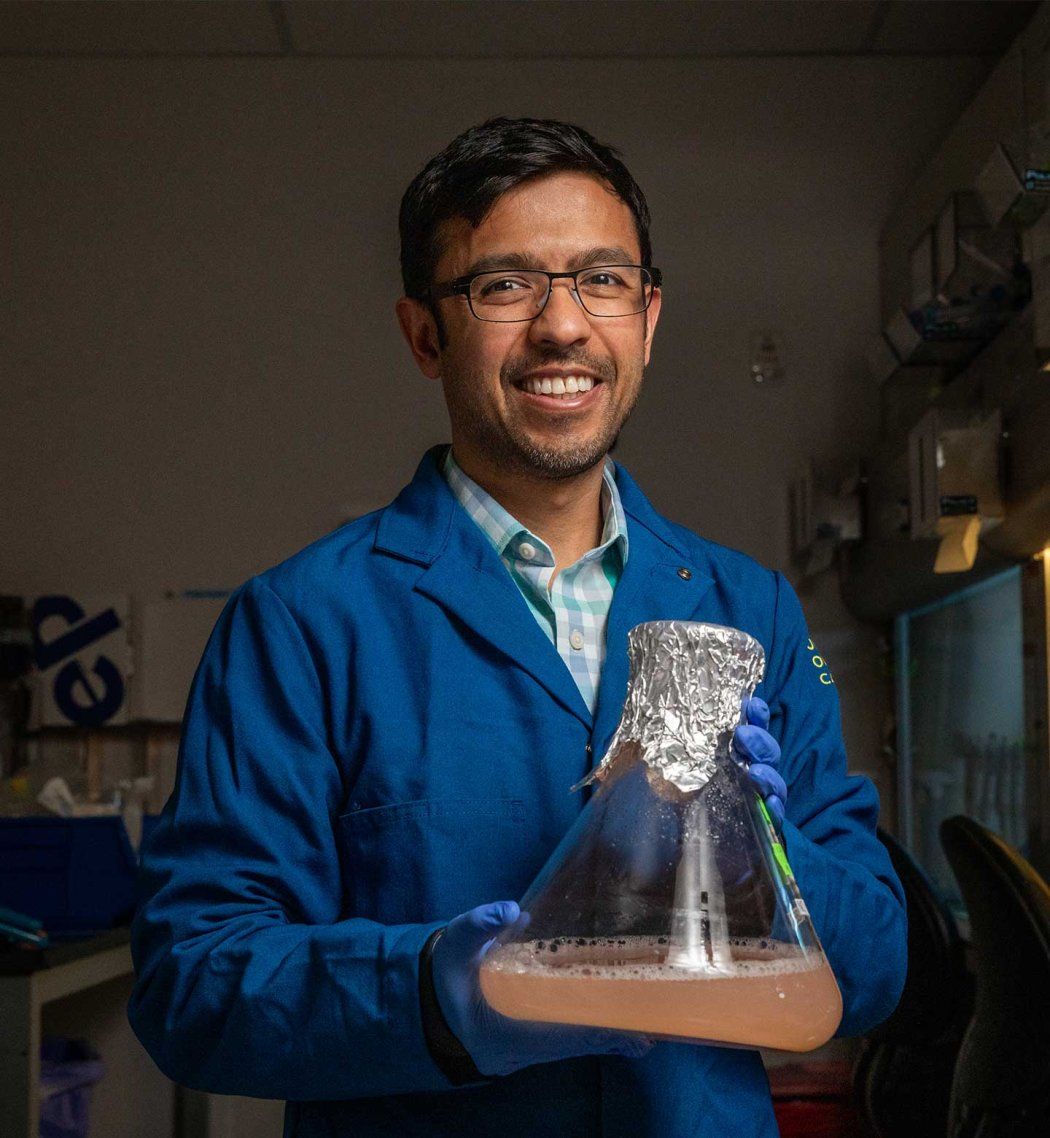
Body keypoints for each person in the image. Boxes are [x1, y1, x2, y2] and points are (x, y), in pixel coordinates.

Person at [128, 117, 907, 1137]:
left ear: (649, 315)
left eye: (602, 279)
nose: (563, 326)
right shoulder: (303, 623)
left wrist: (767, 853)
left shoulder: (745, 608)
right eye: (504, 285)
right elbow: (194, 980)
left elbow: (882, 966)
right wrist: (437, 994)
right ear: (424, 333)